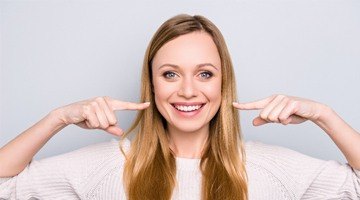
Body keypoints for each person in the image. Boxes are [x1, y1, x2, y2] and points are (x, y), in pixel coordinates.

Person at [0, 14, 359, 200]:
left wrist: (323, 115)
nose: (188, 91)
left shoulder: (270, 168)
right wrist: (58, 118)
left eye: (204, 73)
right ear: (152, 83)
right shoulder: (107, 166)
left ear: (223, 83)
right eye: (171, 74)